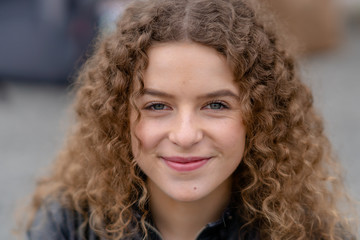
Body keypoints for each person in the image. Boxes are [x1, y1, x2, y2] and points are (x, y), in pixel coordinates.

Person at [25, 0, 356, 239]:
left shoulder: (307, 232)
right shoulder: (70, 225)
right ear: (116, 116)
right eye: (156, 106)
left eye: (215, 105)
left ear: (261, 116)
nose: (184, 136)